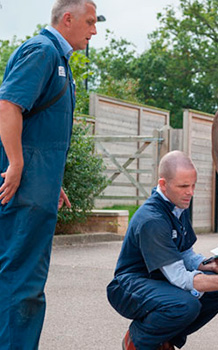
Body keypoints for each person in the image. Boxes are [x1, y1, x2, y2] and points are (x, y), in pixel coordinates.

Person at [0, 0, 98, 347]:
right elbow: (8, 105)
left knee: (27, 281)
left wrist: (53, 182)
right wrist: (16, 164)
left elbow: (43, 132)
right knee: (21, 281)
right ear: (66, 19)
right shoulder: (41, 51)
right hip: (23, 190)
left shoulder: (60, 61)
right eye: (89, 22)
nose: (94, 30)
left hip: (38, 188)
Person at [107, 151, 218, 350]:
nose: (190, 192)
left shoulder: (176, 205)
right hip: (130, 286)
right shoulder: (153, 220)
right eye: (183, 186)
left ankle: (165, 341)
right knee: (185, 304)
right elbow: (180, 278)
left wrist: (211, 265)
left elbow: (185, 253)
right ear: (163, 184)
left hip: (158, 279)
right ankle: (137, 339)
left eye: (193, 185)